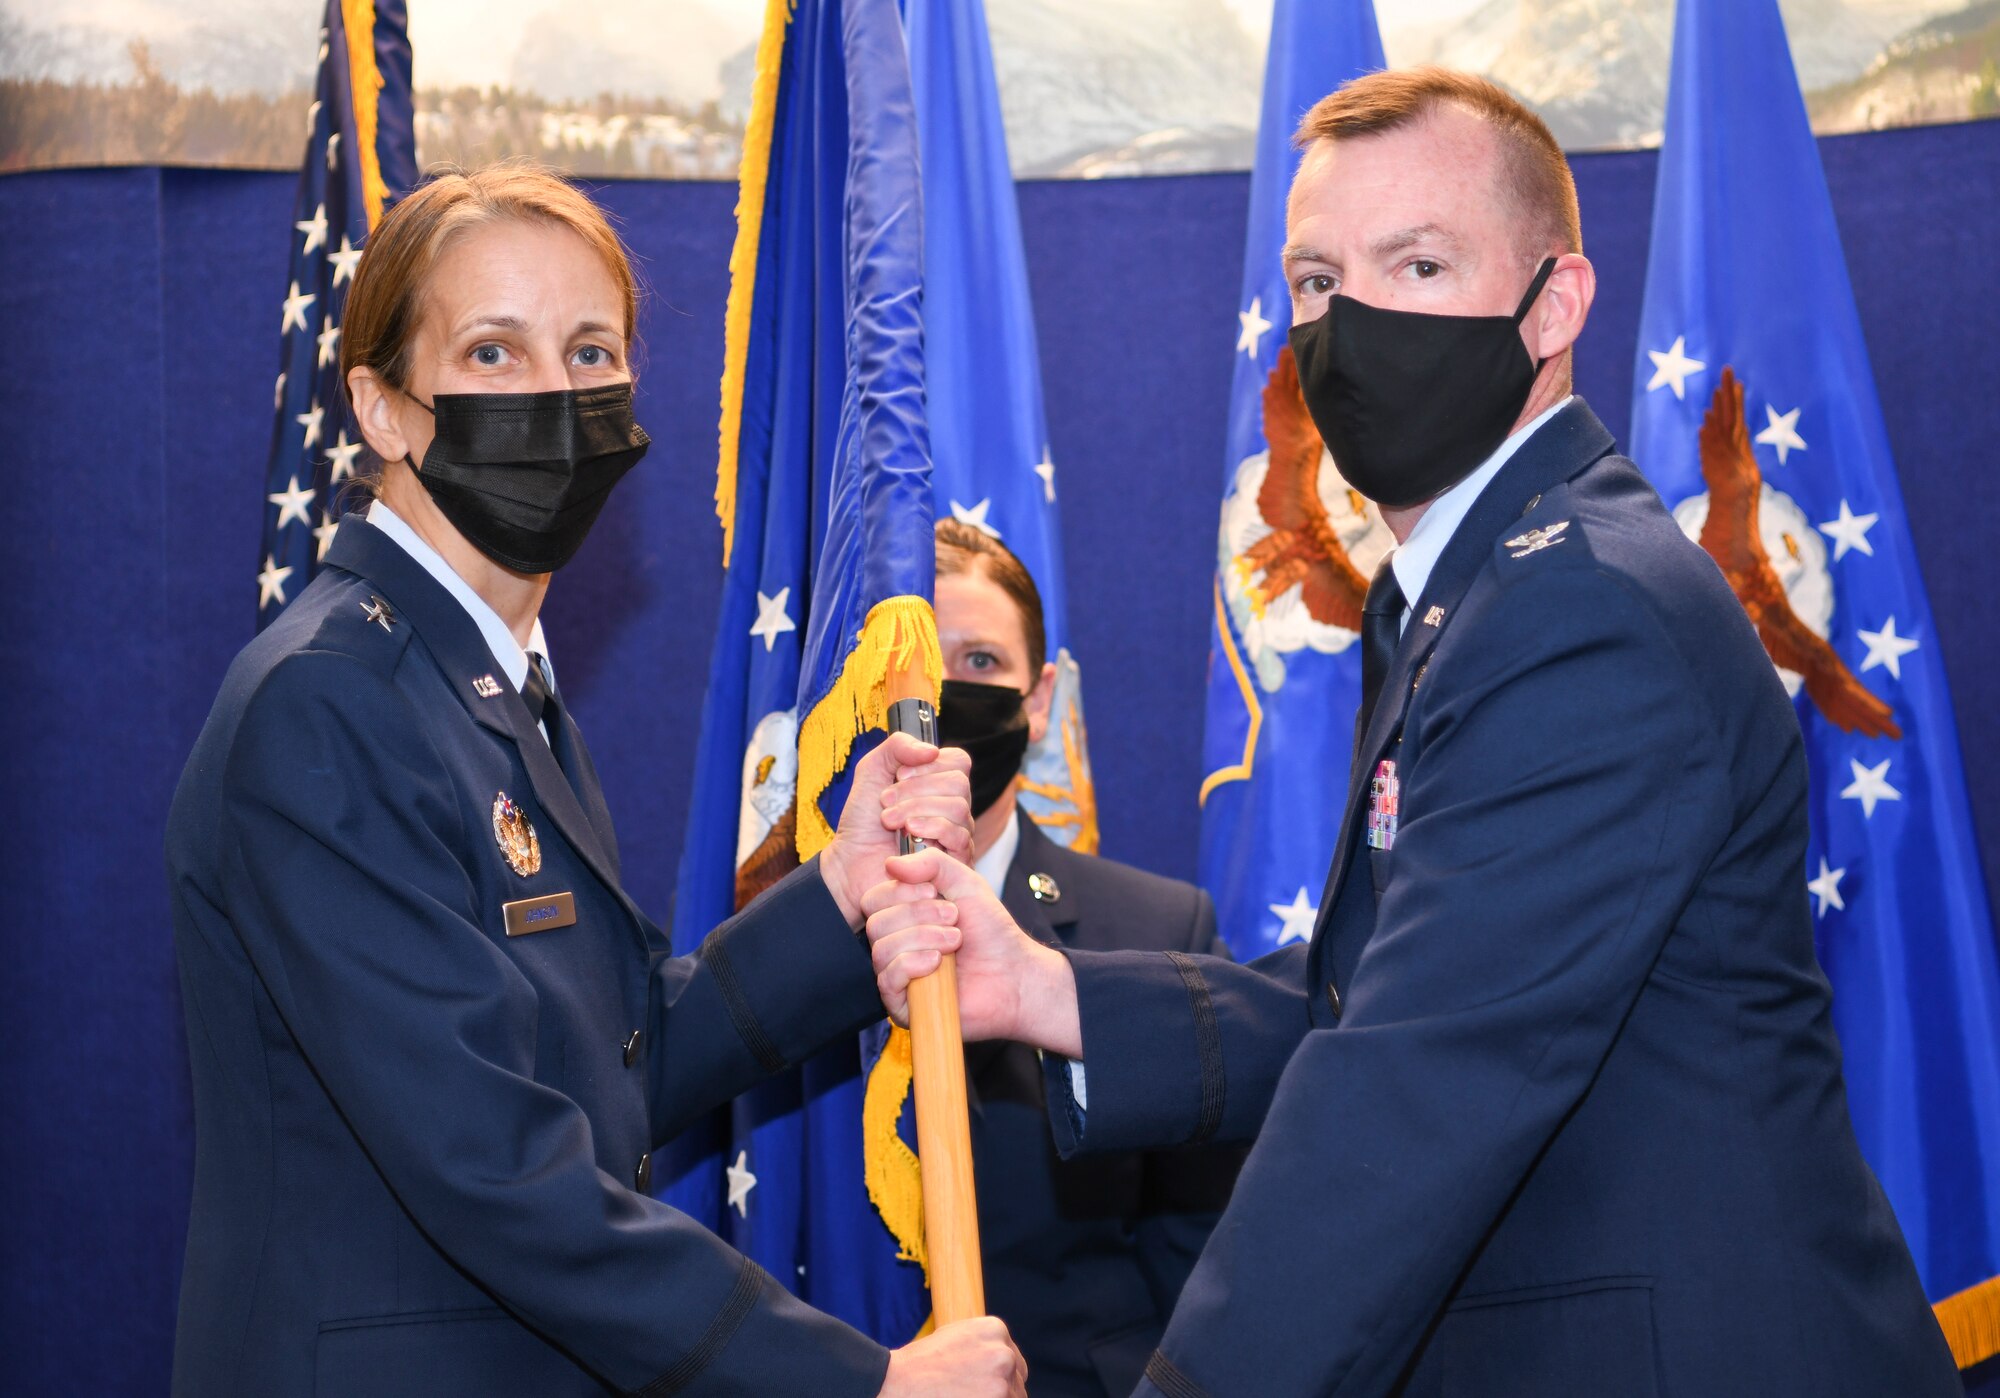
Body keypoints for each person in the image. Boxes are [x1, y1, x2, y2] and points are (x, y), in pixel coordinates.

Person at [864, 69, 1961, 1397]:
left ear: (1554, 303)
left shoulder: (1579, 605)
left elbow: (1411, 1081)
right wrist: (1046, 990)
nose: (1355, 322)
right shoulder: (1483, 582)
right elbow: (1372, 990)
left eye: (1421, 264)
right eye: (1319, 281)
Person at [165, 165, 1025, 1398]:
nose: (555, 397)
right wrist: (861, 1385)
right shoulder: (329, 704)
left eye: (589, 352)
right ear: (382, 407)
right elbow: (491, 1160)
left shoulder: (489, 681)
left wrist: (842, 890)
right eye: (493, 354)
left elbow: (610, 1060)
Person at [931, 520, 1243, 1398]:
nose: (951, 690)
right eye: (923, 661)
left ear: (1040, 699)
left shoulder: (1154, 932)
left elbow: (1203, 1270)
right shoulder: (779, 936)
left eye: (983, 661)